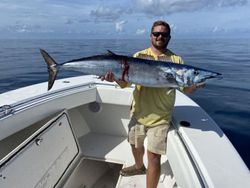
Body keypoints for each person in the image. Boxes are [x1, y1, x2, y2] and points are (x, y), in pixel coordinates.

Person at [101, 20, 199, 188]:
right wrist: (114, 78)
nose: (160, 36)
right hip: (138, 113)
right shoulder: (139, 56)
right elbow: (125, 84)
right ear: (150, 36)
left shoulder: (176, 60)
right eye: (156, 34)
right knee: (135, 145)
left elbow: (186, 89)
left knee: (154, 157)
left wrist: (195, 83)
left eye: (164, 34)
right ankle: (139, 167)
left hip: (160, 117)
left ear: (169, 37)